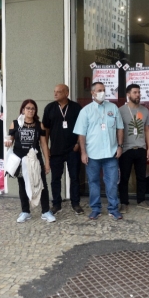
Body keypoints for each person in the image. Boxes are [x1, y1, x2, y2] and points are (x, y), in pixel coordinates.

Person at [73, 82, 124, 220]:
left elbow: (120, 128)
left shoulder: (113, 107)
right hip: (92, 154)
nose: (102, 92)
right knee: (93, 182)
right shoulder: (86, 111)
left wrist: (120, 146)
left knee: (112, 182)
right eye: (99, 90)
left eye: (104, 90)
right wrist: (83, 152)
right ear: (92, 93)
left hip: (111, 153)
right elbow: (81, 134)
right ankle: (95, 209)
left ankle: (113, 209)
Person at [4, 99, 55, 223]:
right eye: (28, 108)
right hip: (19, 161)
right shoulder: (15, 124)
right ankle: (25, 211)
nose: (30, 110)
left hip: (35, 160)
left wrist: (47, 162)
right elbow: (9, 139)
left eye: (33, 108)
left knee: (42, 184)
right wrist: (7, 142)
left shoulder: (39, 125)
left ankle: (46, 211)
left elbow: (43, 145)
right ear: (23, 109)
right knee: (22, 185)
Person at [42, 84, 84, 215]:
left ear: (67, 93)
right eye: (54, 92)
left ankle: (75, 203)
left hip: (73, 149)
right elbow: (46, 129)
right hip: (55, 150)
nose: (55, 94)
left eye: (59, 92)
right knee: (55, 178)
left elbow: (82, 127)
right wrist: (47, 147)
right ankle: (56, 204)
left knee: (74, 177)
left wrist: (78, 143)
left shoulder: (76, 107)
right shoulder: (49, 108)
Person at [118, 84, 149, 213]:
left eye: (139, 92)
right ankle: (123, 202)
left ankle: (141, 201)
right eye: (135, 92)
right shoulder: (121, 110)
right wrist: (119, 147)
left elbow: (147, 130)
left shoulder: (144, 110)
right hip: (126, 149)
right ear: (128, 94)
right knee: (124, 177)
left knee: (141, 177)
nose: (138, 95)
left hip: (141, 148)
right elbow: (117, 130)